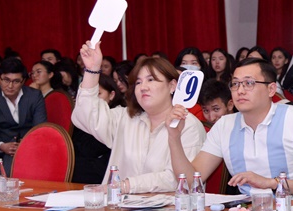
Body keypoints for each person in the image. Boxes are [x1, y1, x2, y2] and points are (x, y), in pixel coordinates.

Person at [166, 58, 293, 198]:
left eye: (249, 83)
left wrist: (272, 183)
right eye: (235, 84)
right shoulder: (224, 125)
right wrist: (174, 136)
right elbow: (190, 181)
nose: (240, 90)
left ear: (271, 89)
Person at [72, 42, 206, 193]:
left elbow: (178, 179)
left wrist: (126, 185)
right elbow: (85, 115)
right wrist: (92, 70)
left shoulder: (188, 125)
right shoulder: (125, 118)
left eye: (151, 80)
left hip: (168, 206)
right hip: (118, 205)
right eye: (138, 82)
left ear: (172, 85)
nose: (143, 87)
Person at [0, 57, 48, 172]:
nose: (10, 86)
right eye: (6, 80)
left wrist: (25, 143)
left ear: (23, 81)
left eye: (16, 81)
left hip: (30, 144)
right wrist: (1, 145)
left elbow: (40, 126)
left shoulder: (34, 96)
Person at [71, 74, 124, 184]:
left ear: (111, 95)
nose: (92, 100)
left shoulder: (119, 117)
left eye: (98, 94)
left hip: (103, 175)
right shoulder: (81, 117)